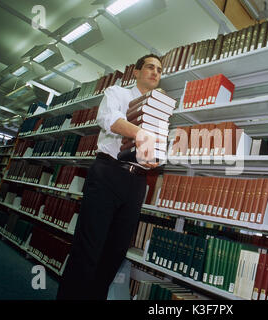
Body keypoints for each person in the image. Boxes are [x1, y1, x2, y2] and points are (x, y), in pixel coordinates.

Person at [56, 54, 163, 300]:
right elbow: (109, 119)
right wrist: (144, 133)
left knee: (115, 252)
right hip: (108, 174)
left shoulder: (157, 112)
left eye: (159, 69)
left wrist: (158, 153)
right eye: (149, 67)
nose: (155, 72)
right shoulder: (117, 93)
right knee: (88, 248)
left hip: (137, 182)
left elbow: (151, 153)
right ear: (136, 72)